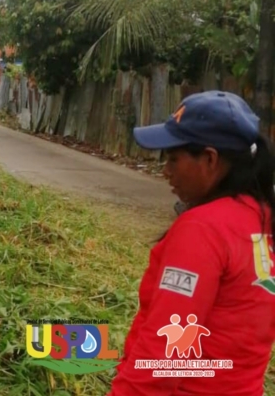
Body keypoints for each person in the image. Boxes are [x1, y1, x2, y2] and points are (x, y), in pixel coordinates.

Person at [108, 91, 275, 395]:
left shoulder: (203, 229)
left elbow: (166, 352)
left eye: (173, 158)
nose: (166, 170)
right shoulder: (262, 220)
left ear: (209, 159)